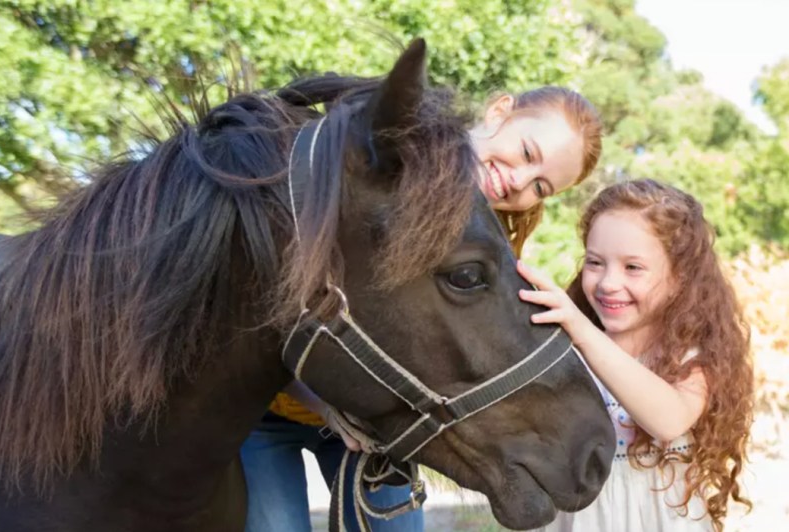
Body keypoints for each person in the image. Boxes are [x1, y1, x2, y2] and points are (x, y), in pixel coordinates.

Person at [240, 86, 604, 532]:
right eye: (527, 152)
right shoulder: (376, 178)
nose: (519, 182)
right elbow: (266, 315)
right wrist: (323, 405)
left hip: (371, 425)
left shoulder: (497, 245)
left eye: (541, 186)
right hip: (273, 407)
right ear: (499, 110)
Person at [517, 179, 754, 531]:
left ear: (680, 277)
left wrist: (581, 330)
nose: (608, 282)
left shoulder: (691, 356)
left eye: (633, 268)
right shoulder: (565, 350)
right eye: (596, 262)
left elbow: (668, 420)